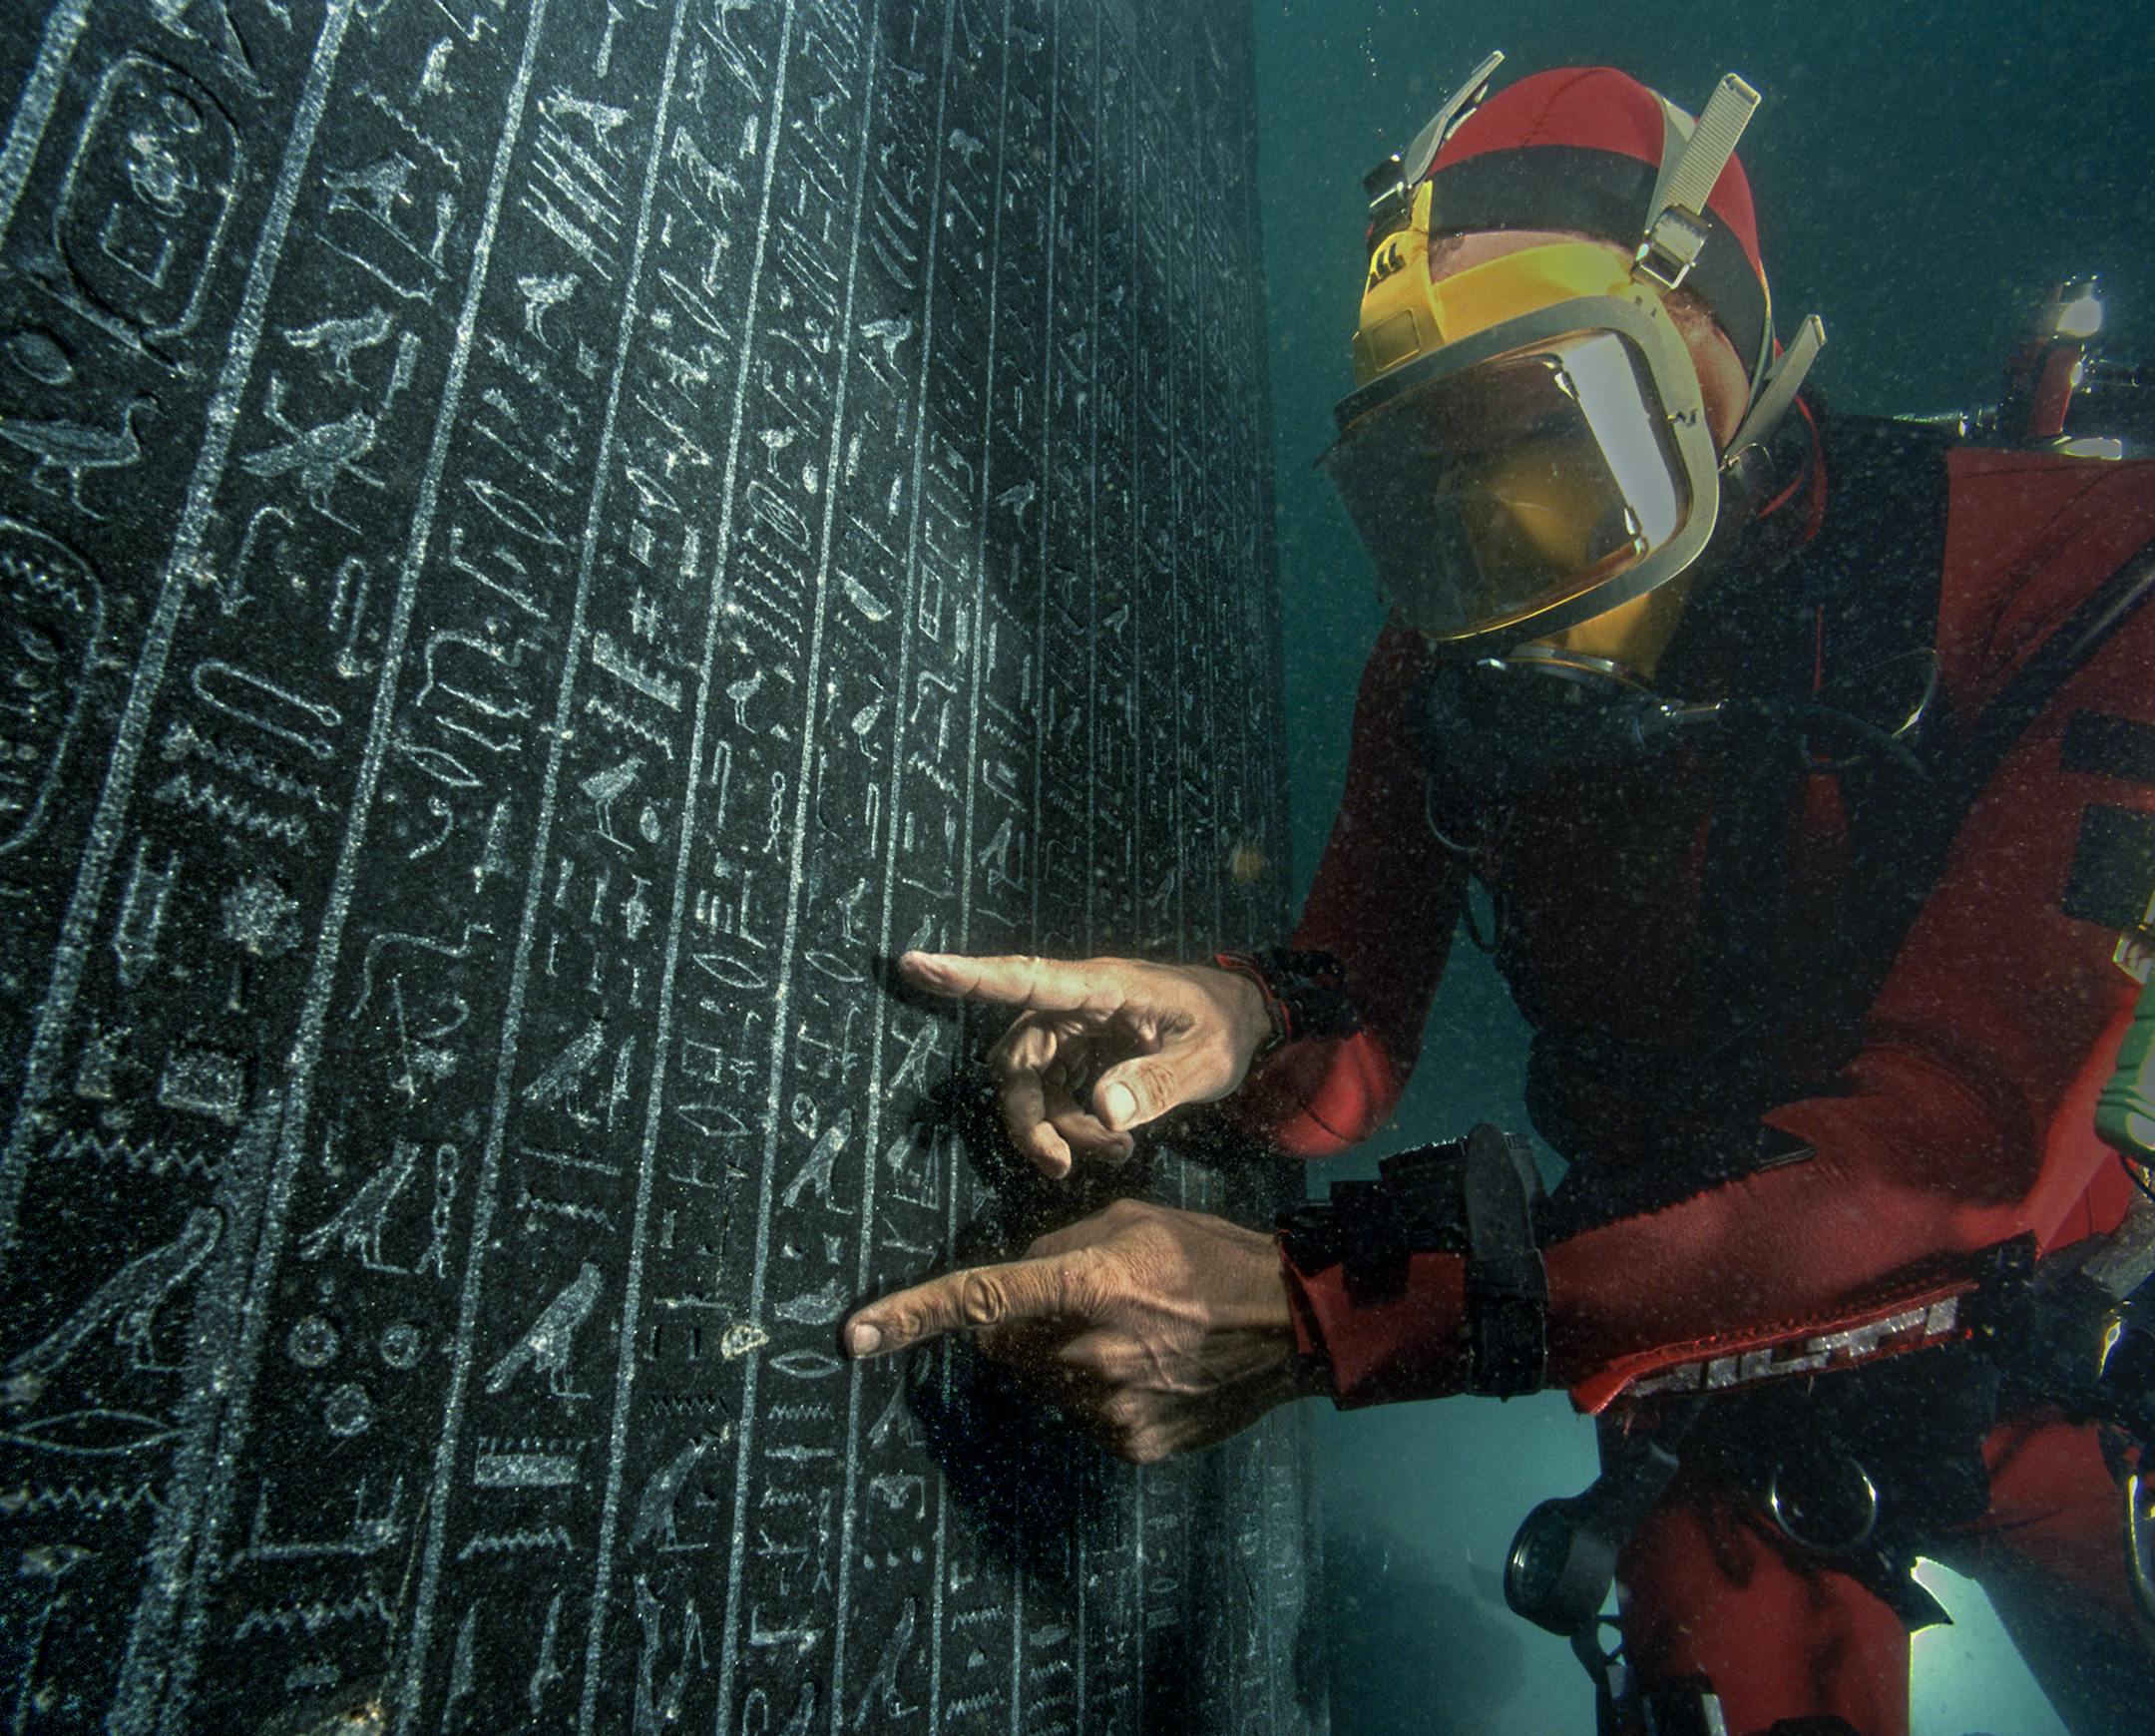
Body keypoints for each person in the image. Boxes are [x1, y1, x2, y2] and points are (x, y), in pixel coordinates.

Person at [842, 61, 2155, 1736]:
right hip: (1709, 1391)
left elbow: (1952, 1165)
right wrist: (1230, 1016)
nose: (1491, 539)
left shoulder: (2088, 575)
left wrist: (1320, 1310)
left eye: (1556, 433)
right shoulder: (1450, 641)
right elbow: (1348, 1029)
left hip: (2070, 1374)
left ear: (1713, 377)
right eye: (1426, 472)